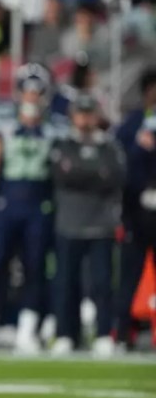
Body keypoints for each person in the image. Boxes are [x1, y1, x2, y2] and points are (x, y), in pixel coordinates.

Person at [0, 63, 58, 355]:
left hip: (37, 204)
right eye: (27, 91)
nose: (31, 97)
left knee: (34, 267)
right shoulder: (3, 129)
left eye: (36, 91)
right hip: (6, 203)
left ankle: (26, 329)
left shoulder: (54, 131)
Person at [49, 94, 125, 355]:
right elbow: (62, 175)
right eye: (81, 113)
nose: (85, 119)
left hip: (101, 225)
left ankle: (104, 333)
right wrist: (95, 174)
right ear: (73, 116)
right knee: (66, 283)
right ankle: (65, 333)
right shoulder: (63, 143)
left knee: (103, 282)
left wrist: (80, 173)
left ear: (97, 116)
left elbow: (115, 177)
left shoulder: (109, 146)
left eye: (89, 113)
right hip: (69, 223)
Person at [114, 69, 156, 352]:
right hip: (136, 212)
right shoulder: (132, 124)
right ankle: (122, 332)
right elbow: (120, 164)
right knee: (129, 275)